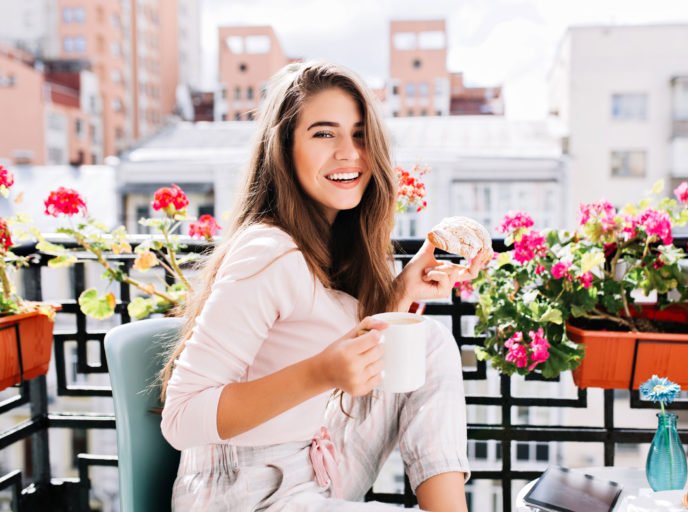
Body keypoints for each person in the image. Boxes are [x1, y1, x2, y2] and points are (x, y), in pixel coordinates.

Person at [159, 61, 488, 511]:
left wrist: (402, 290)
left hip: (313, 459)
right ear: (284, 148)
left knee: (428, 341)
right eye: (323, 133)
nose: (349, 152)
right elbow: (181, 419)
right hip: (241, 491)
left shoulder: (334, 241)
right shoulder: (267, 251)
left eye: (359, 134)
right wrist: (321, 373)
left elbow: (317, 334)